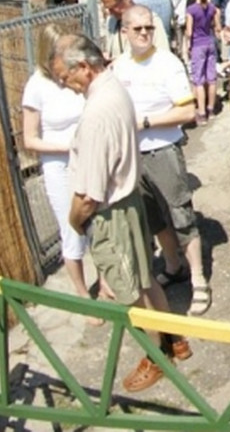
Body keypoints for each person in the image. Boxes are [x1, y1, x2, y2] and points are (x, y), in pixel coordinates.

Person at [51, 33, 191, 392]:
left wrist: (74, 221)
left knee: (132, 293)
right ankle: (174, 339)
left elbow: (88, 194)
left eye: (67, 78)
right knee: (144, 278)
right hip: (127, 203)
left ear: (84, 67)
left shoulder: (97, 113)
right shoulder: (114, 87)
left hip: (111, 214)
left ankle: (157, 355)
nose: (66, 86)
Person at [112, 6, 210, 316]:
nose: (144, 33)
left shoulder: (168, 64)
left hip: (163, 151)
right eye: (137, 29)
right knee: (152, 217)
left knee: (181, 215)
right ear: (124, 32)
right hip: (131, 155)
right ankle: (172, 265)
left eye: (149, 28)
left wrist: (147, 122)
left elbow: (186, 112)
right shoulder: (118, 67)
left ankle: (199, 280)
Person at [21, 24, 95, 308]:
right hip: (59, 166)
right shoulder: (37, 86)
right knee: (71, 228)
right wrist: (66, 147)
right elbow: (30, 140)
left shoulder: (74, 76)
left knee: (97, 221)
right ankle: (81, 293)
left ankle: (106, 284)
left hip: (86, 159)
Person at [182, 0, 220, 123]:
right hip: (210, 42)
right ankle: (211, 109)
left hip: (197, 44)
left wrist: (187, 45)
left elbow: (189, 31)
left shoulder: (191, 9)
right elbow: (217, 26)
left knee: (198, 80)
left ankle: (202, 112)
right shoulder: (212, 8)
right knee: (211, 78)